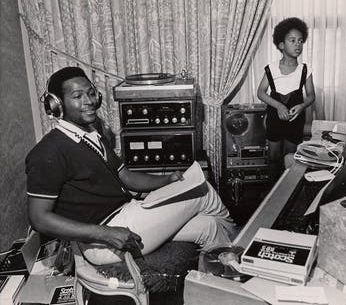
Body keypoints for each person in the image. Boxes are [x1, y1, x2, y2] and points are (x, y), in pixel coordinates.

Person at [25, 66, 236, 266]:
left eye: (91, 93)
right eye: (77, 96)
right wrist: (105, 233)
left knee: (209, 227)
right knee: (203, 190)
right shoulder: (47, 152)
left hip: (127, 213)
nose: (89, 101)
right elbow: (39, 219)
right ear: (56, 105)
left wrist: (167, 180)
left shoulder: (91, 134)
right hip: (102, 240)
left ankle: (223, 282)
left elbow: (126, 176)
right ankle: (242, 249)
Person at [257, 17, 316, 182]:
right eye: (292, 40)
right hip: (275, 118)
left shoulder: (305, 70)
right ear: (281, 45)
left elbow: (311, 95)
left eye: (300, 41)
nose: (298, 44)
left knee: (291, 157)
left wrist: (302, 106)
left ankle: (287, 189)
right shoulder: (271, 69)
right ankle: (271, 189)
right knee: (274, 156)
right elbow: (261, 92)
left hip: (295, 120)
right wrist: (279, 106)